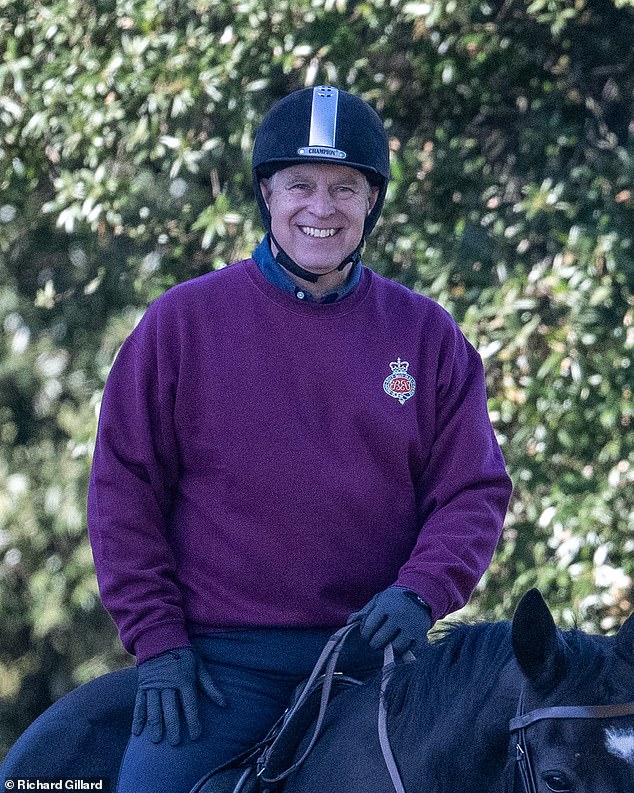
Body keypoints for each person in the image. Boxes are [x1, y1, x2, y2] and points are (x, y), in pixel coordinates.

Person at [87, 85, 512, 793]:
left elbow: (473, 489)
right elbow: (122, 493)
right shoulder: (180, 324)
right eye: (302, 185)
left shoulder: (427, 335)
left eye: (345, 188)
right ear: (266, 193)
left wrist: (422, 590)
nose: (322, 207)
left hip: (375, 666)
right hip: (221, 671)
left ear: (371, 202)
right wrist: (157, 644)